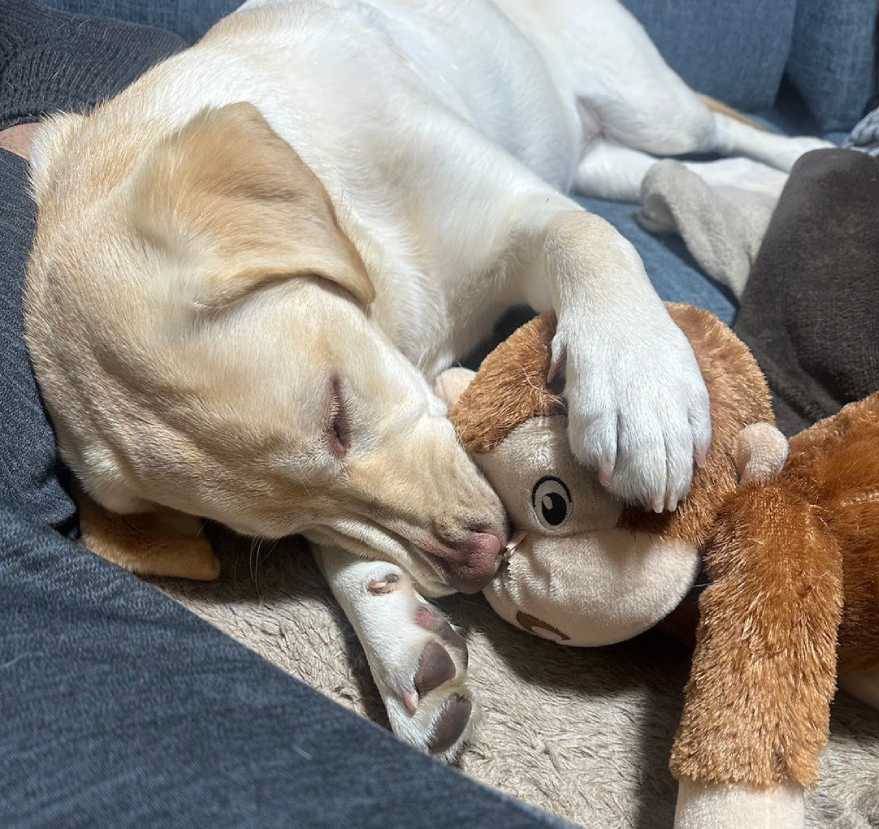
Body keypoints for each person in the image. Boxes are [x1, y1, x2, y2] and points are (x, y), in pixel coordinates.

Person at [0, 3, 558, 825]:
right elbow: (279, 452)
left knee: (669, 123)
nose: (476, 553)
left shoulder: (255, 157)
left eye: (337, 418)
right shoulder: (149, 423)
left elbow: (371, 304)